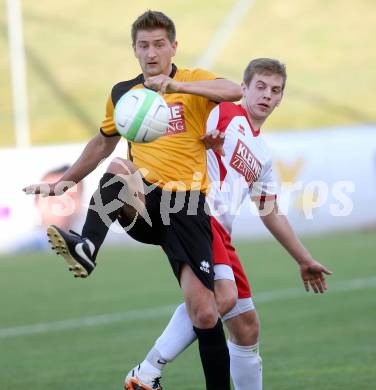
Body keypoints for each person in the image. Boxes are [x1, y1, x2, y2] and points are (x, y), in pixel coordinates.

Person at [23, 10, 242, 390]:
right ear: (134, 50)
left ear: (174, 47)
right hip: (145, 203)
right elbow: (104, 141)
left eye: (160, 44)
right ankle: (88, 244)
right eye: (144, 45)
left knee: (205, 313)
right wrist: (67, 181)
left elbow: (234, 90)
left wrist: (177, 88)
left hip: (187, 207)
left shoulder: (192, 81)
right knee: (121, 164)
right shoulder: (124, 93)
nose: (152, 52)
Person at [124, 58, 333, 390]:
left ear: (280, 98)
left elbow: (270, 210)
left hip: (221, 231)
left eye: (275, 90)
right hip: (196, 212)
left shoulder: (263, 155)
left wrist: (304, 259)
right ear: (244, 88)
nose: (266, 95)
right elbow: (180, 124)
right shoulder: (223, 111)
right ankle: (146, 371)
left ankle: (148, 371)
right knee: (222, 299)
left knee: (246, 326)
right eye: (260, 87)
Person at [16, 165, 84, 251]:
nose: (62, 206)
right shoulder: (16, 250)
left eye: (70, 198)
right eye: (54, 198)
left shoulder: (100, 246)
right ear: (37, 202)